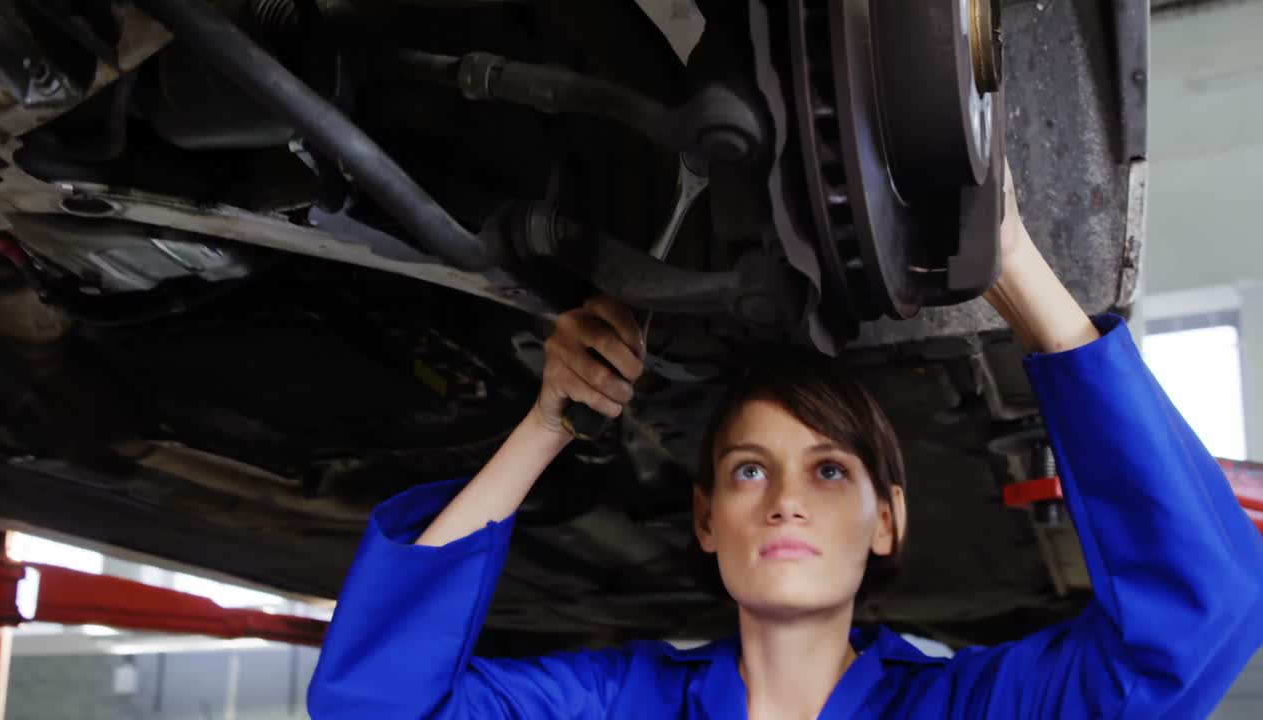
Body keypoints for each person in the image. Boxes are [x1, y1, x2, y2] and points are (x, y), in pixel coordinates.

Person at [307, 167, 1263, 719]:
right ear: (707, 520)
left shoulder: (963, 711)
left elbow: (1195, 624)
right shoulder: (621, 703)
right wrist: (548, 421)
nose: (786, 499)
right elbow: (375, 705)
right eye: (749, 470)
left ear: (886, 522)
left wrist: (1011, 265)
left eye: (832, 469)